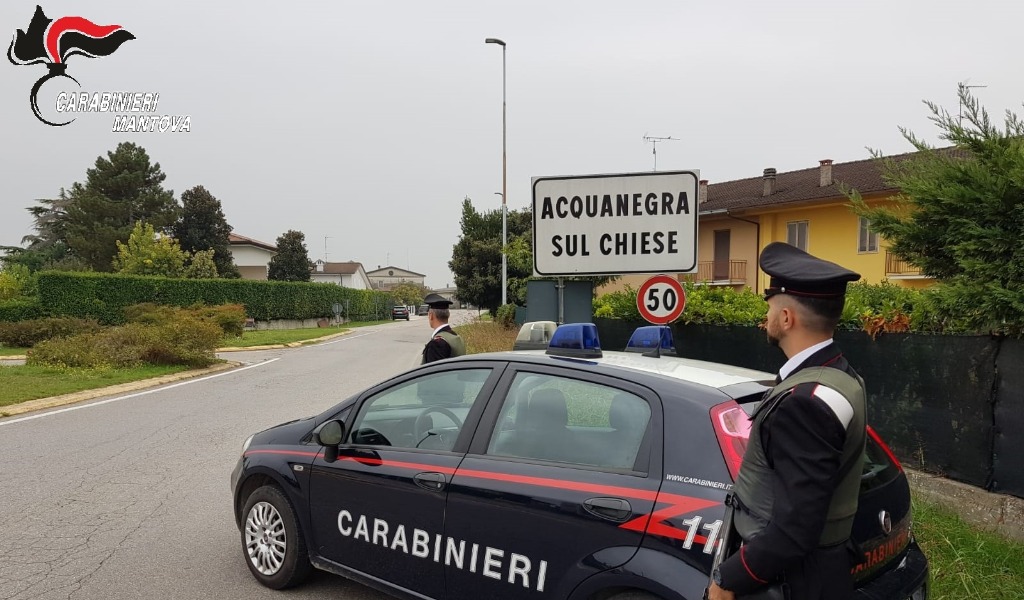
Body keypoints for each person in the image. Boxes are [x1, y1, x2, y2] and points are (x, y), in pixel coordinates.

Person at [708, 242, 867, 600]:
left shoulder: (804, 402)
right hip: (819, 573)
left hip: (793, 583)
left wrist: (728, 579)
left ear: (786, 318)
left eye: (769, 308)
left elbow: (796, 528)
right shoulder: (841, 374)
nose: (765, 318)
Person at [421, 293, 466, 364]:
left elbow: (433, 370)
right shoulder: (457, 337)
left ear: (431, 315)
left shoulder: (437, 344)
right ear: (448, 315)